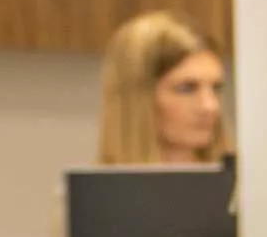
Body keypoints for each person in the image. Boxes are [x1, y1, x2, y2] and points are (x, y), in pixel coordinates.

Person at [98, 9, 230, 165]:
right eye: (187, 89)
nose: (210, 106)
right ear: (139, 98)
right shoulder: (94, 189)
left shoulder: (248, 186)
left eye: (216, 89)